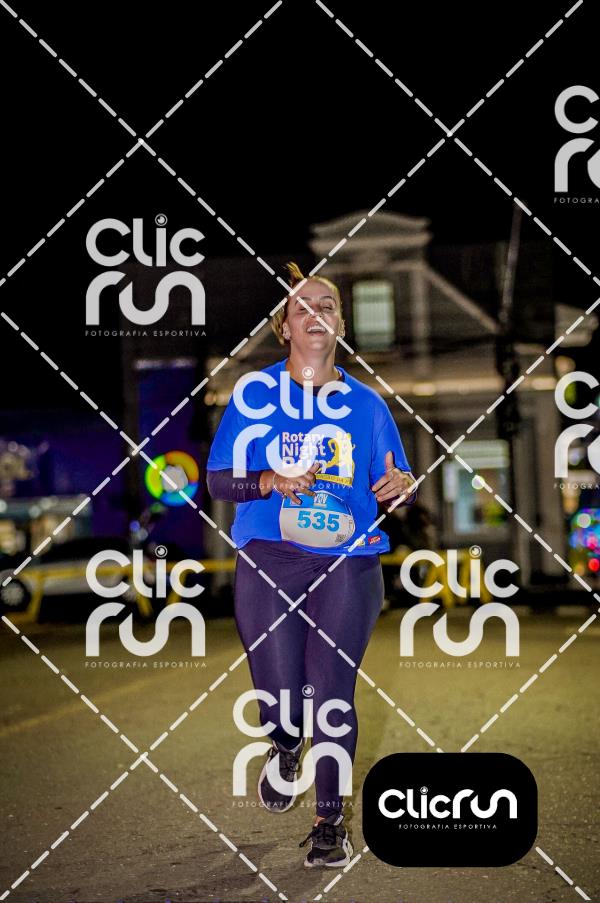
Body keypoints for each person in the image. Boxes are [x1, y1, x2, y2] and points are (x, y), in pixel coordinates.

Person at [206, 262, 416, 868]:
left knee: (332, 693)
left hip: (349, 559)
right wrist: (270, 480)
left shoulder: (368, 406)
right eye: (303, 308)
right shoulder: (254, 396)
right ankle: (284, 741)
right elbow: (217, 480)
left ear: (340, 325)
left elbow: (393, 480)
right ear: (285, 328)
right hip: (269, 556)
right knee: (280, 698)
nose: (316, 314)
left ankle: (329, 822)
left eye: (327, 306)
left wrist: (400, 485)